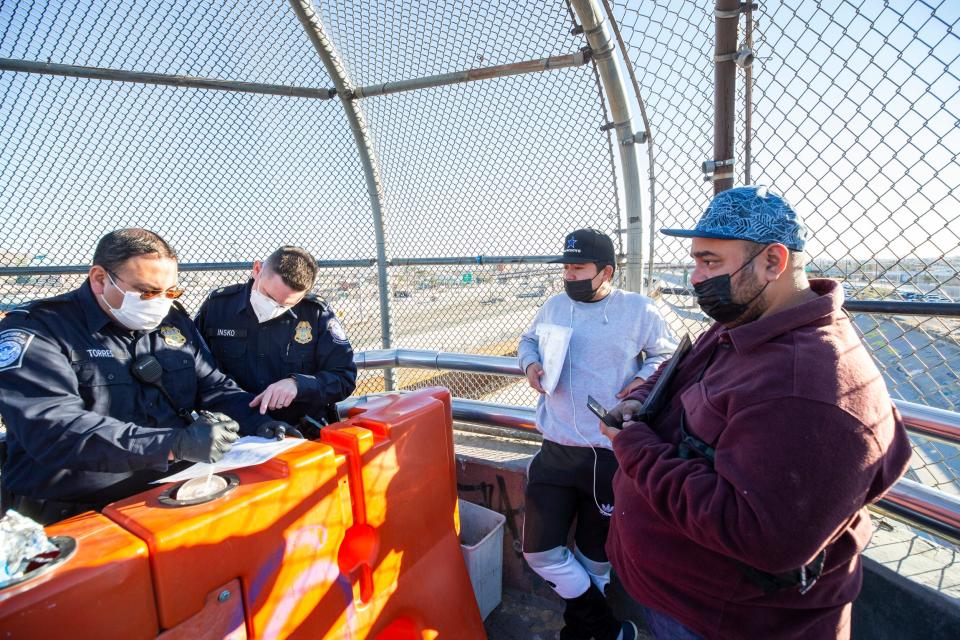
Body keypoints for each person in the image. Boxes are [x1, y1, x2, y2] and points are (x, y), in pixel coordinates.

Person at [601, 186, 913, 639]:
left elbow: (759, 536)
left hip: (719, 624)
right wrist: (642, 396)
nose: (694, 277)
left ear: (773, 262)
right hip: (680, 599)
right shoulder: (748, 322)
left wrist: (632, 444)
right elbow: (683, 364)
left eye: (710, 262)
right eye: (695, 261)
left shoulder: (808, 390)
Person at [0, 229, 287, 525]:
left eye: (171, 292)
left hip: (165, 495)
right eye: (148, 292)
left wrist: (259, 422)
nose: (160, 303)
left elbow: (212, 385)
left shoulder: (172, 321)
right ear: (100, 279)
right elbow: (55, 430)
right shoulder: (39, 332)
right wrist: (173, 445)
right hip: (73, 510)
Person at [518, 228, 676, 640]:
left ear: (606, 271)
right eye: (566, 268)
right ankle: (606, 630)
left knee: (595, 557)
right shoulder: (553, 306)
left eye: (578, 268)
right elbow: (528, 340)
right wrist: (530, 364)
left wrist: (640, 386)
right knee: (539, 551)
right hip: (554, 449)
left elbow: (666, 356)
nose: (569, 276)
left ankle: (582, 632)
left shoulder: (640, 310)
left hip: (609, 452)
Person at [194, 246, 356, 437]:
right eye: (268, 296)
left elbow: (344, 378)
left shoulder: (315, 313)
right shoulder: (218, 307)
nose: (273, 308)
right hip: (234, 434)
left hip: (298, 434)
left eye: (286, 305)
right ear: (257, 270)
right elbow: (196, 370)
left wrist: (298, 385)